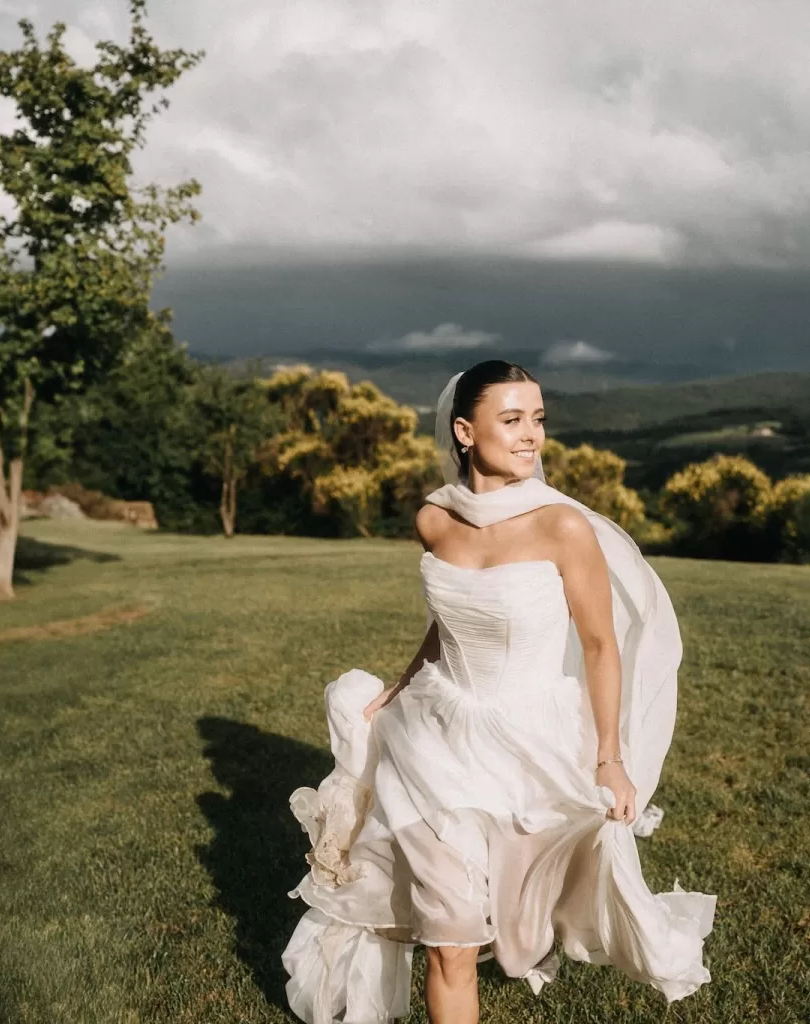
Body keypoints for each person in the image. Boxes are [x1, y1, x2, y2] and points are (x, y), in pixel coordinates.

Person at [281, 360, 716, 1024]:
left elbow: (600, 645)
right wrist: (403, 679)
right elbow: (446, 624)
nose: (530, 436)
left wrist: (609, 756)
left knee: (522, 918)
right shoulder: (434, 519)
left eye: (537, 419)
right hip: (433, 741)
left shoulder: (562, 528)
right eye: (511, 420)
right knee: (449, 942)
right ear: (464, 430)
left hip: (529, 743)